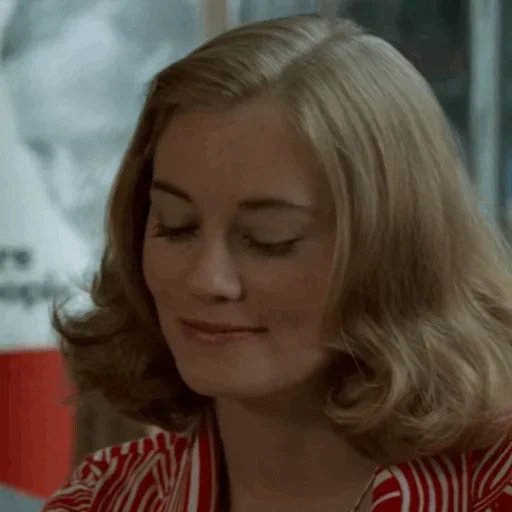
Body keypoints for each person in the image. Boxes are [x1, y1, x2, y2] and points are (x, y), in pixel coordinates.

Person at [43, 15, 512, 512]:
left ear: (393, 251)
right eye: (177, 226)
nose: (207, 279)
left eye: (269, 239)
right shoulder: (106, 498)